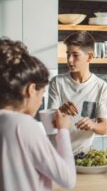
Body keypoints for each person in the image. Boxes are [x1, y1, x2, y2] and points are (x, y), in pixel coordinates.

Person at [0, 38, 76, 190]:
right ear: (31, 89)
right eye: (42, 94)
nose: (41, 102)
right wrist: (63, 130)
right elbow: (67, 180)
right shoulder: (23, 126)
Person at [48, 31, 107, 154]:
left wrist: (93, 125)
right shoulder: (57, 82)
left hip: (84, 155)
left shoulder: (102, 87)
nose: (70, 60)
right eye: (68, 54)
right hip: (57, 153)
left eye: (75, 55)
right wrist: (60, 112)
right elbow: (49, 124)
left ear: (90, 57)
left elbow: (103, 128)